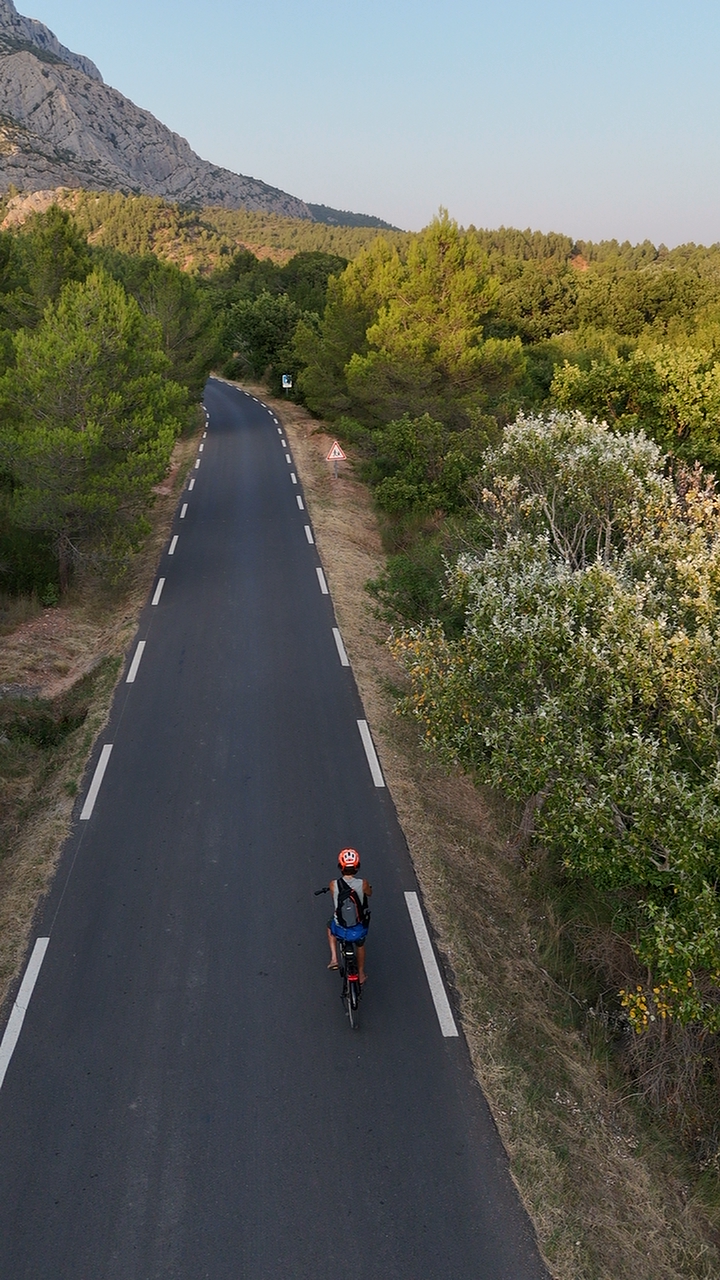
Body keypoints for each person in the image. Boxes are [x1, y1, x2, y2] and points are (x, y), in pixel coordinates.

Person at [327, 848, 372, 984]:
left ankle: (334, 958)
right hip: (357, 928)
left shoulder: (333, 884)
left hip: (340, 927)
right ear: (357, 867)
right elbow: (369, 893)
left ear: (341, 867)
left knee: (330, 927)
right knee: (360, 945)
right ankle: (361, 973)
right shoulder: (362, 883)